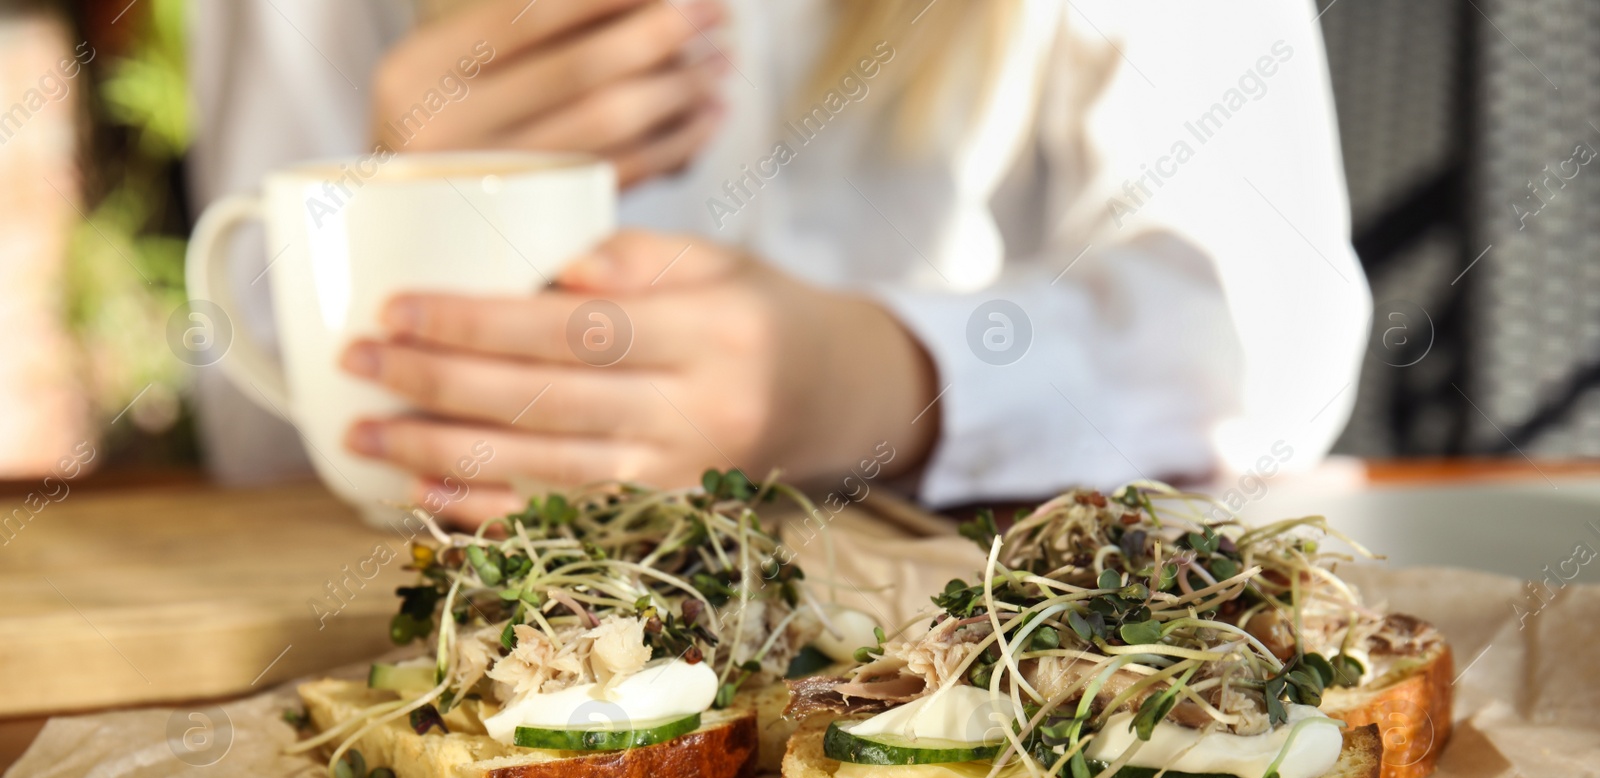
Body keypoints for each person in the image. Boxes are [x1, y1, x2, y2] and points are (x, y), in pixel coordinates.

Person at [187, 0, 1369, 527]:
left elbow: (1278, 335)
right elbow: (253, 427)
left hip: (966, 613)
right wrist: (399, 207)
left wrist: (879, 381)